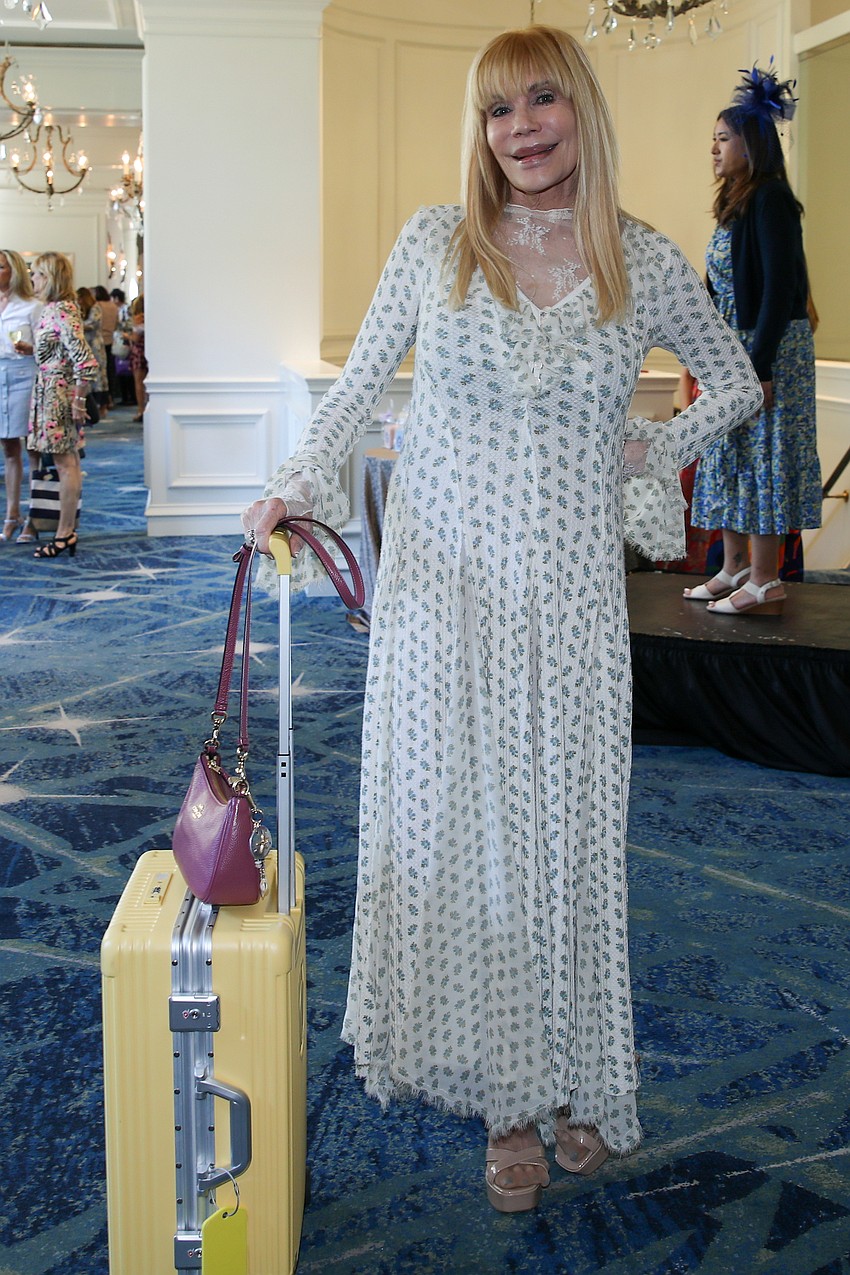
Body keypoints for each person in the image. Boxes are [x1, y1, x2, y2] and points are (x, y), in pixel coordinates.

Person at [243, 24, 761, 1212]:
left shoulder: (640, 258)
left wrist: (650, 448)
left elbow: (736, 381)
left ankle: (575, 1077)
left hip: (569, 606)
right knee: (464, 840)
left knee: (566, 842)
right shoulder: (438, 242)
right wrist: (295, 483)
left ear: (580, 110)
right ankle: (508, 1105)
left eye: (540, 100)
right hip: (443, 604)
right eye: (495, 109)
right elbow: (357, 389)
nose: (519, 128)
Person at [684, 64, 821, 615]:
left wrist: (758, 368)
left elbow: (779, 289)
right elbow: (719, 287)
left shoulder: (771, 200)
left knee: (763, 457)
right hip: (734, 350)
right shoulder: (736, 201)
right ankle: (735, 567)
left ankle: (766, 581)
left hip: (768, 350)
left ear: (751, 144)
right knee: (730, 455)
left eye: (722, 138)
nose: (713, 149)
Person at [23, 252, 98, 558]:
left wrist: (78, 401)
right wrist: (33, 350)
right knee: (68, 463)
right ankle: (65, 531)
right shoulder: (54, 308)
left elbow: (85, 361)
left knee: (66, 464)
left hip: (58, 396)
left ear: (51, 278)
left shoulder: (62, 309)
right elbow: (61, 351)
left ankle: (65, 533)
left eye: (38, 274)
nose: (33, 279)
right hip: (50, 390)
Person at [0, 249, 42, 543]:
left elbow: (47, 349)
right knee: (7, 446)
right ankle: (11, 514)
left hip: (24, 375)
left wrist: (30, 349)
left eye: (0, 267)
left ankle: (34, 515)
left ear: (13, 271)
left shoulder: (31, 306)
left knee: (33, 447)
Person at [77, 286, 109, 416]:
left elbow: (92, 324)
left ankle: (102, 405)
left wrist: (76, 325)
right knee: (87, 375)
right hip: (85, 344)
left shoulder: (95, 308)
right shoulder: (80, 309)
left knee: (99, 375)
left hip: (95, 345)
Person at [94, 284, 119, 408]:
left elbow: (95, 323)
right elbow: (117, 323)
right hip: (110, 339)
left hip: (98, 341)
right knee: (110, 369)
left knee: (101, 371)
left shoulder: (97, 306)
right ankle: (111, 397)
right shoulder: (114, 306)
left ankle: (102, 399)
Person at [128, 294, 147, 422]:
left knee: (139, 382)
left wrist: (126, 336)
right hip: (150, 349)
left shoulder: (138, 318)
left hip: (139, 351)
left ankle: (141, 409)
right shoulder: (153, 317)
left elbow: (135, 338)